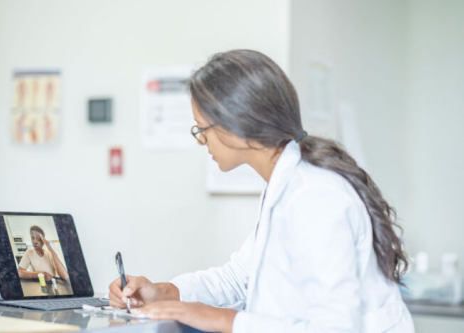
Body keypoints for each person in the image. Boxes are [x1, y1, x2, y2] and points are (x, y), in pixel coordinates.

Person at [108, 50, 414, 332]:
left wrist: (215, 317)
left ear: (237, 125)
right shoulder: (287, 185)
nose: (203, 143)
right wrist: (161, 292)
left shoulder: (315, 196)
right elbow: (240, 278)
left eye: (202, 130)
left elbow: (332, 327)